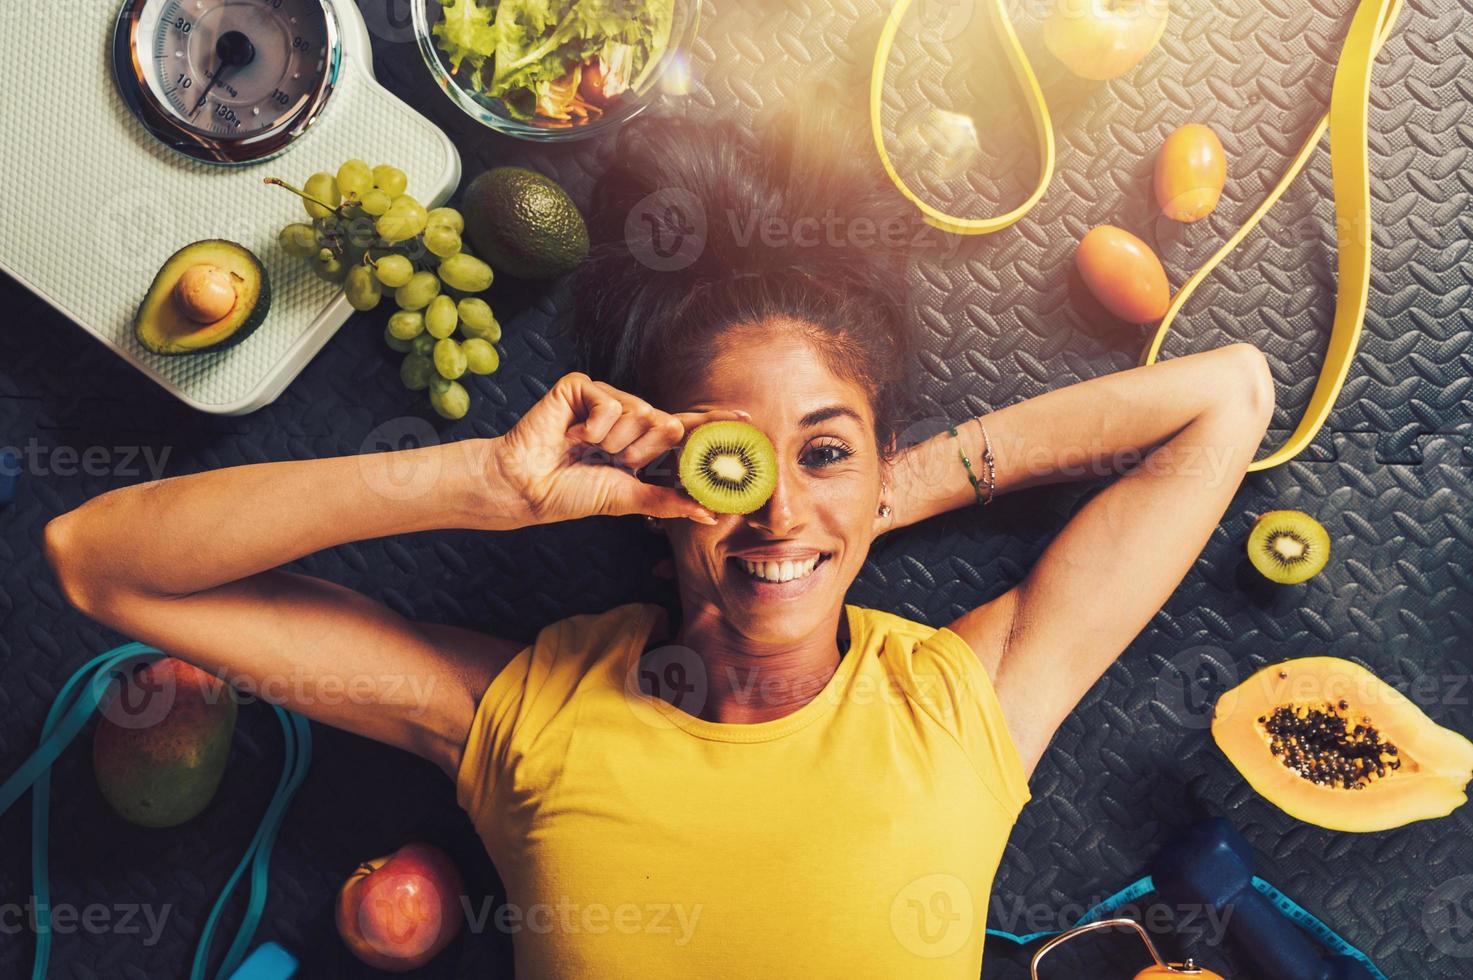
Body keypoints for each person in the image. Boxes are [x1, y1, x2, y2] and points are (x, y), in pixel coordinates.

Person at [43, 103, 1273, 977]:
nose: (776, 504)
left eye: (824, 447)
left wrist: (861, 498)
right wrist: (488, 483)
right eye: (732, 454)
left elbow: (1229, 393)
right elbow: (97, 559)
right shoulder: (528, 709)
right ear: (662, 475)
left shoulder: (964, 700)